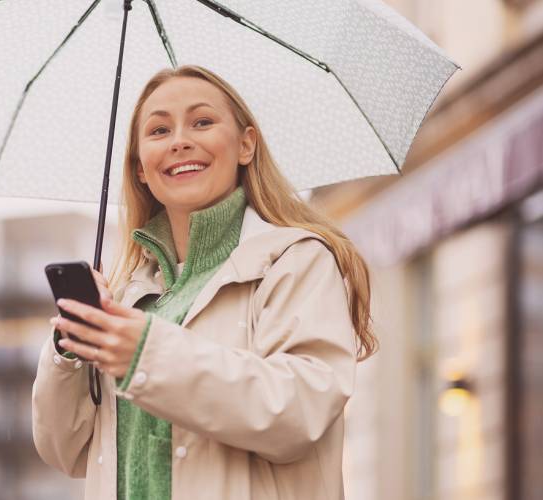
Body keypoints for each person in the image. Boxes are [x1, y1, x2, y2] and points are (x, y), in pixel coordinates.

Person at [31, 65, 376, 500]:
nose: (179, 141)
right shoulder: (127, 298)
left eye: (202, 122)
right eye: (159, 130)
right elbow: (65, 450)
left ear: (246, 144)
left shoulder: (297, 262)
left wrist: (147, 354)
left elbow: (298, 413)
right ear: (140, 168)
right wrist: (70, 349)